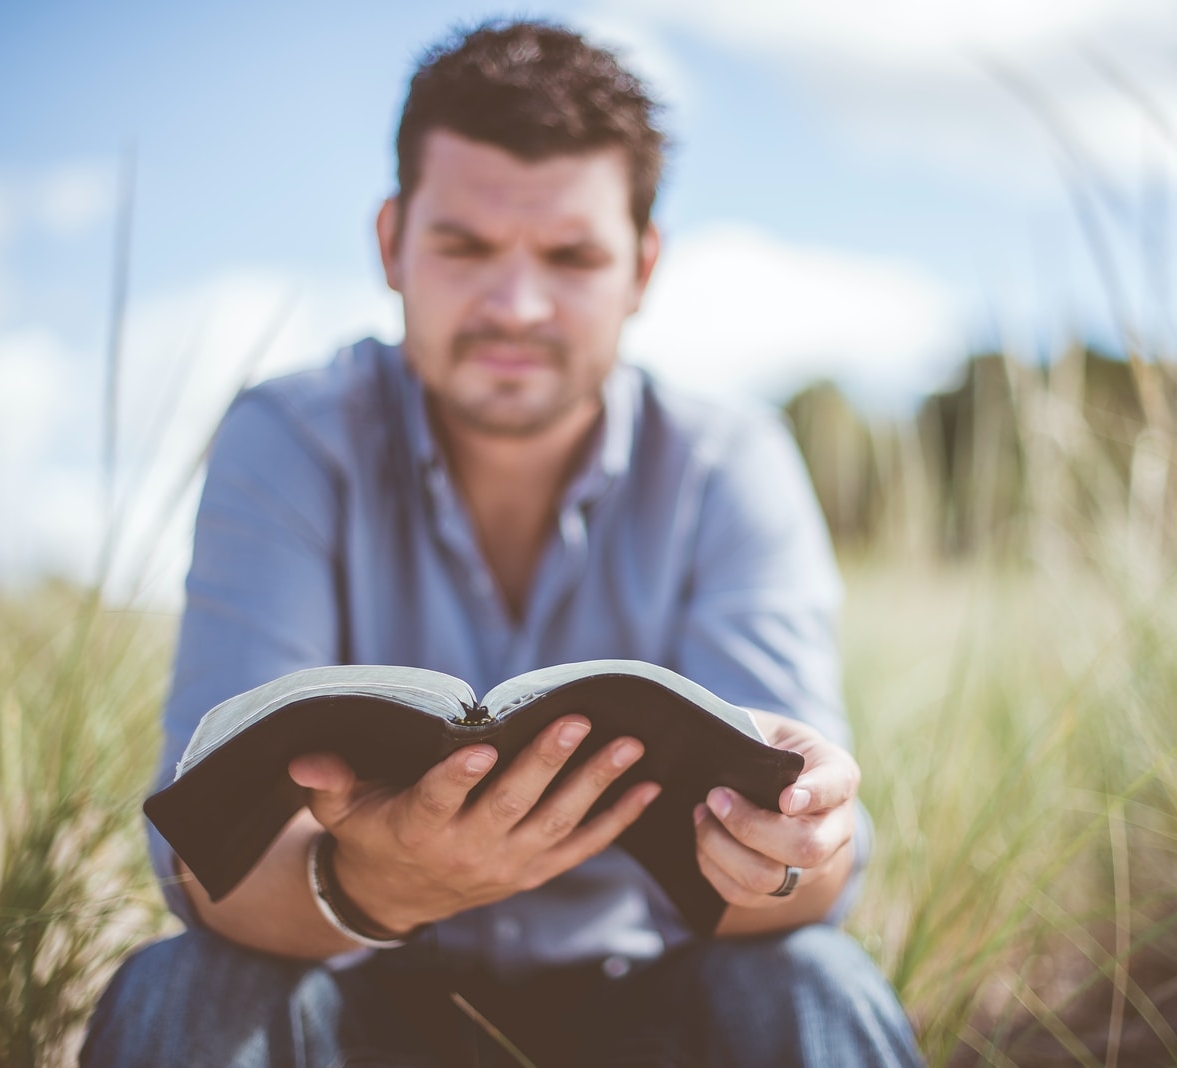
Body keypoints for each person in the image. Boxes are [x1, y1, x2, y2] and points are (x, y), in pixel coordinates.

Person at [82, 19, 922, 1068]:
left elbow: (811, 891)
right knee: (185, 989)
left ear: (641, 267)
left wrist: (795, 850)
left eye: (571, 256)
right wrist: (378, 884)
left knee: (813, 980)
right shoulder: (287, 440)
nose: (516, 306)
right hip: (356, 996)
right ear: (391, 243)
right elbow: (203, 868)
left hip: (644, 1004)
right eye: (465, 247)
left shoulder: (729, 463)